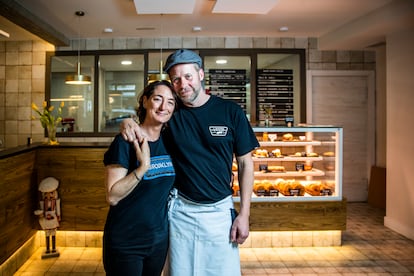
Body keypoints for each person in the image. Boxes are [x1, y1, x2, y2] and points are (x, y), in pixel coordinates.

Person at [121, 49, 259, 276]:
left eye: (188, 76)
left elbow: (246, 164)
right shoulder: (171, 113)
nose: (182, 84)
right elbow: (145, 123)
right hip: (181, 211)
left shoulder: (230, 111)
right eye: (176, 79)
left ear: (201, 74)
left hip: (219, 212)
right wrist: (127, 121)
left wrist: (244, 214)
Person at [103, 80, 177, 276]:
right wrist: (143, 167)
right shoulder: (126, 141)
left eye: (170, 102)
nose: (164, 107)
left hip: (158, 241)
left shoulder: (170, 141)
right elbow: (113, 196)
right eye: (157, 99)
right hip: (126, 242)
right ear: (145, 101)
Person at [34, 177, 61, 258]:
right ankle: (48, 248)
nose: (49, 195)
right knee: (47, 233)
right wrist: (41, 214)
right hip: (46, 217)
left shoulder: (55, 201)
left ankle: (53, 248)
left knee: (53, 233)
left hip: (53, 216)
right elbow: (42, 210)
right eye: (47, 193)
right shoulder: (43, 202)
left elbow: (58, 209)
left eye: (51, 193)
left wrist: (59, 216)